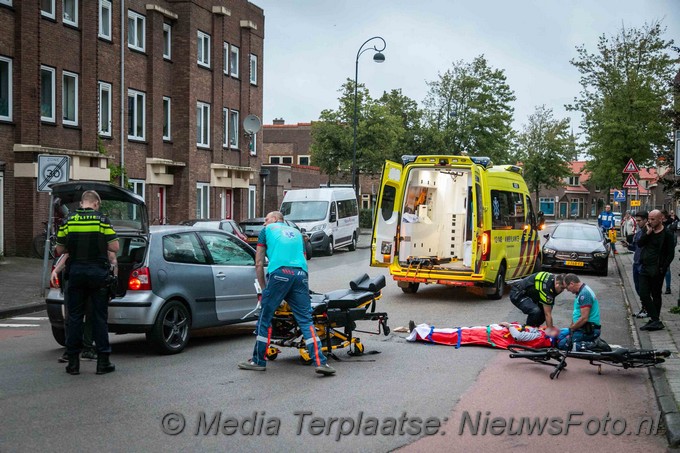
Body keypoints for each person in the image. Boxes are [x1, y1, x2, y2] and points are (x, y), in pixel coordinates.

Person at [238, 211, 336, 376]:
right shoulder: (298, 233)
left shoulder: (266, 232)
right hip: (300, 275)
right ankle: (321, 362)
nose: (264, 224)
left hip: (280, 274)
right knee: (305, 320)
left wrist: (264, 288)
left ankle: (258, 361)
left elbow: (259, 262)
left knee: (265, 317)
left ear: (275, 219)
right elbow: (304, 261)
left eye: (266, 220)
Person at [55, 190, 119, 375]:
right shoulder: (102, 220)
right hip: (98, 274)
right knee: (99, 318)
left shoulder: (69, 221)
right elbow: (114, 246)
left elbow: (60, 250)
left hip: (75, 273)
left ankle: (73, 363)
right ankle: (103, 362)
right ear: (96, 204)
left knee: (74, 317)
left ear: (82, 203)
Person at [637, 209, 676, 331]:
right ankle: (655, 320)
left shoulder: (667, 234)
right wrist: (648, 233)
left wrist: (663, 268)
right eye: (649, 219)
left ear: (660, 219)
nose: (650, 221)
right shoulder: (648, 231)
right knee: (643, 293)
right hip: (645, 267)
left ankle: (655, 320)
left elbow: (671, 254)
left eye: (653, 219)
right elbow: (639, 244)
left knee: (656, 294)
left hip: (657, 269)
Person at [406, 321, 565, 350]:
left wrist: (510, 326)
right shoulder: (540, 335)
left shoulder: (539, 337)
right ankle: (422, 331)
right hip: (494, 334)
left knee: (458, 334)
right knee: (459, 333)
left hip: (494, 336)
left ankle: (421, 333)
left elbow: (517, 337)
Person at [560, 274, 602, 350]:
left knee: (562, 344)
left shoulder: (584, 294)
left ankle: (593, 345)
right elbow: (577, 313)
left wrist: (572, 329)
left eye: (567, 287)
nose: (567, 290)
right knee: (560, 335)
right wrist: (571, 328)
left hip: (588, 330)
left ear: (572, 284)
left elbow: (584, 318)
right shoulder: (581, 291)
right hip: (582, 328)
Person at [621, 211, 649, 318]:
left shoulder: (648, 233)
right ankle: (643, 308)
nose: (637, 223)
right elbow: (635, 247)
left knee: (644, 289)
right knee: (637, 287)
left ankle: (647, 309)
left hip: (643, 264)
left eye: (639, 221)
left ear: (646, 220)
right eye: (636, 220)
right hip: (636, 263)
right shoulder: (638, 233)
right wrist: (628, 245)